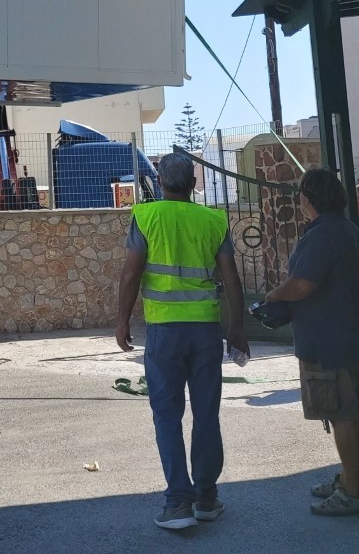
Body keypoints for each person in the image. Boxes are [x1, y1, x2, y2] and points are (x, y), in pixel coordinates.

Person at [116, 152, 249, 531]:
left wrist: (122, 320)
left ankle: (178, 503)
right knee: (206, 414)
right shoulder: (213, 220)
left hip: (164, 332)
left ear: (159, 182)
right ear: (193, 184)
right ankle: (206, 497)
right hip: (205, 329)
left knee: (167, 415)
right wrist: (236, 327)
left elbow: (130, 274)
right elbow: (232, 279)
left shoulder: (146, 216)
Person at [265, 168, 359, 516]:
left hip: (331, 340)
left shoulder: (323, 234)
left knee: (343, 414)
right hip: (349, 334)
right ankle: (348, 478)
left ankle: (353, 492)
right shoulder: (346, 228)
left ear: (307, 199)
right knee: (350, 413)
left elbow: (302, 284)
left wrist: (273, 295)